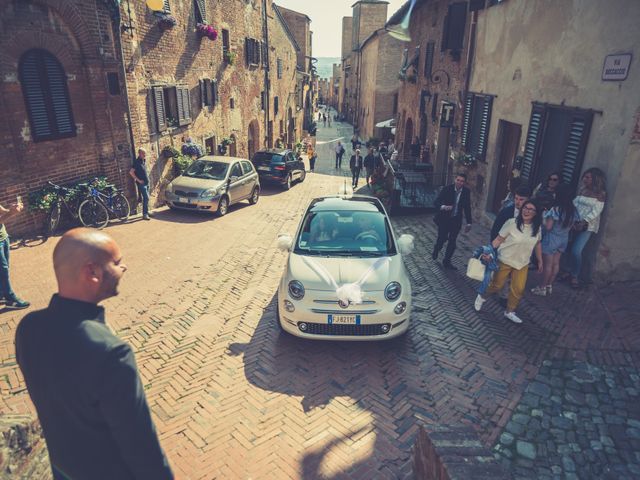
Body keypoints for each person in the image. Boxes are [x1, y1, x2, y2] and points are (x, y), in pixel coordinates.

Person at [15, 228, 173, 479]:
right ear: (92, 273)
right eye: (117, 263)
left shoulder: (28, 328)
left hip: (63, 469)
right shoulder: (111, 353)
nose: (124, 268)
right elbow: (141, 447)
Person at [474, 200, 543, 324]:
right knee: (497, 286)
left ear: (536, 213)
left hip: (522, 263)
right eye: (525, 208)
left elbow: (538, 243)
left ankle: (510, 311)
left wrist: (540, 260)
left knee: (519, 288)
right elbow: (499, 239)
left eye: (530, 209)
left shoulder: (536, 228)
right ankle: (482, 296)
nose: (526, 211)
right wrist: (488, 251)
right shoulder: (512, 223)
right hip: (505, 260)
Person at [531, 185, 578, 296]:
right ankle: (549, 286)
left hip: (552, 239)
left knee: (548, 265)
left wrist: (544, 218)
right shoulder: (573, 211)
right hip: (564, 239)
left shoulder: (556, 210)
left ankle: (542, 288)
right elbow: (572, 226)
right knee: (556, 264)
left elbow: (548, 227)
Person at [567, 167, 606, 288]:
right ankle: (569, 271)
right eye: (585, 176)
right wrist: (572, 219)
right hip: (574, 222)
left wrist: (584, 222)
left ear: (595, 179)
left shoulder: (601, 193)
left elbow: (597, 211)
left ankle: (575, 276)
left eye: (588, 177)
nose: (585, 179)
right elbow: (574, 204)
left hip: (587, 226)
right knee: (568, 247)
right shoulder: (582, 189)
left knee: (576, 250)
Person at [432, 173, 472, 269]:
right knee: (441, 238)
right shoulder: (447, 189)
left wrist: (469, 222)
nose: (459, 182)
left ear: (464, 182)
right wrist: (443, 207)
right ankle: (437, 248)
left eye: (462, 181)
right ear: (455, 180)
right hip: (444, 219)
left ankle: (447, 261)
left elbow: (467, 207)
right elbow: (436, 202)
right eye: (458, 180)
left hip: (456, 220)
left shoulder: (466, 192)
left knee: (452, 242)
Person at [0, 199, 30, 309]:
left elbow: (1, 210)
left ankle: (2, 294)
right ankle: (10, 299)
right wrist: (11, 213)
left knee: (4, 269)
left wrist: (10, 209)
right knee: (3, 271)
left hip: (3, 237)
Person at [129, 147, 151, 220]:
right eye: (144, 153)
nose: (145, 155)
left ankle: (147, 212)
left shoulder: (143, 160)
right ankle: (145, 214)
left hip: (147, 182)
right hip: (142, 184)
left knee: (147, 198)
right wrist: (138, 180)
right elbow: (131, 172)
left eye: (145, 153)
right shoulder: (137, 162)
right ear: (140, 154)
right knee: (146, 197)